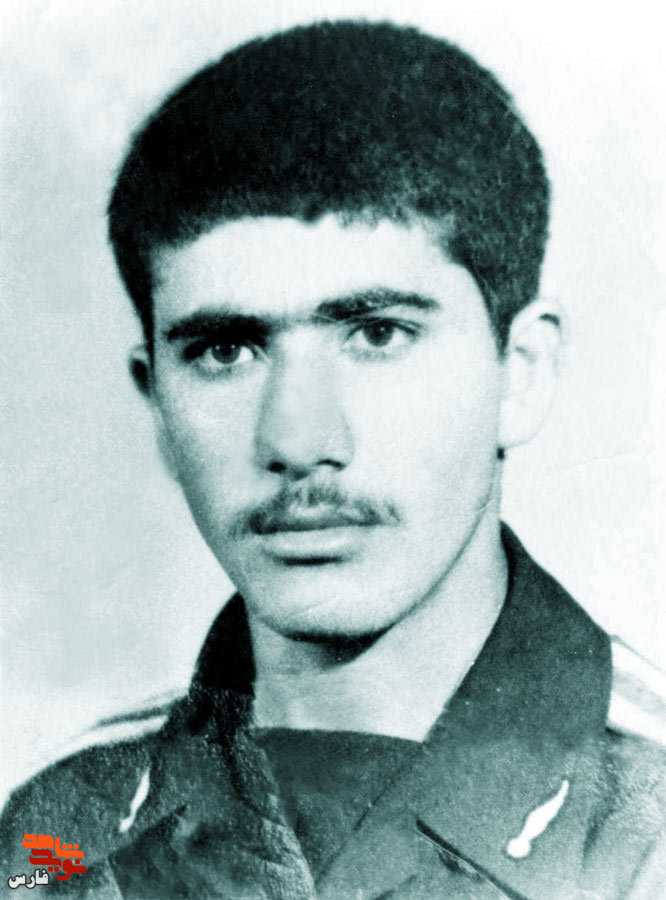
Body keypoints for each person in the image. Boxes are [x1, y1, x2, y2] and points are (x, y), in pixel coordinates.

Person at [1, 19, 664, 900]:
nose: (298, 440)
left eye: (377, 334)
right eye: (226, 351)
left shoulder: (651, 817)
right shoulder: (57, 831)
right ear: (156, 402)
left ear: (521, 371)